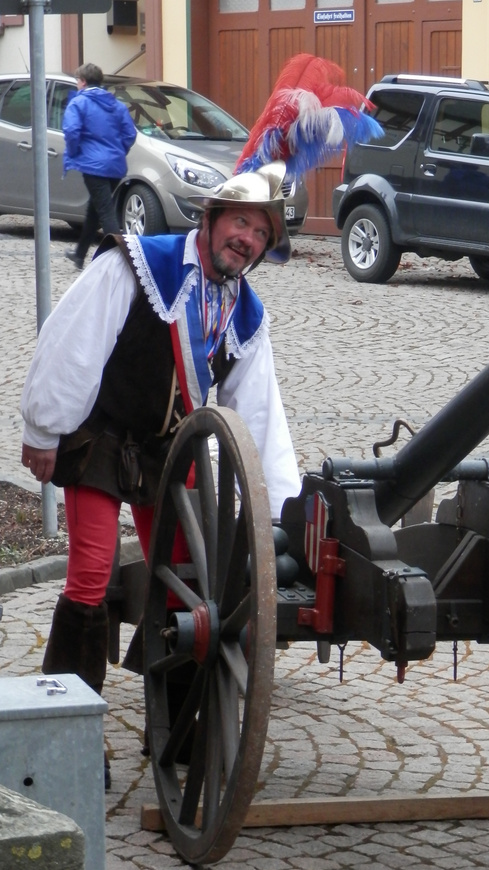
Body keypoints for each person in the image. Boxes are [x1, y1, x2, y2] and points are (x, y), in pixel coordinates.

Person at [20, 162, 302, 788]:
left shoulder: (245, 314)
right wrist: (44, 430)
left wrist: (282, 512)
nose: (248, 239)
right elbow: (73, 341)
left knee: (189, 589)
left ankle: (172, 726)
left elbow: (258, 415)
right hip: (99, 436)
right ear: (211, 220)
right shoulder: (138, 264)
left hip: (168, 456)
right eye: (241, 223)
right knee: (92, 572)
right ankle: (67, 733)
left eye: (261, 232)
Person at [62, 62, 137, 270]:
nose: (77, 83)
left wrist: (77, 152)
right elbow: (130, 134)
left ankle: (124, 259)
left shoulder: (79, 103)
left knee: (105, 211)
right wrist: (118, 152)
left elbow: (71, 131)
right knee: (94, 210)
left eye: (78, 80)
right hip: (115, 165)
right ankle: (79, 254)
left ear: (83, 82)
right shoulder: (116, 104)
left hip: (93, 165)